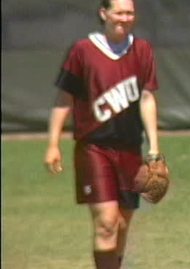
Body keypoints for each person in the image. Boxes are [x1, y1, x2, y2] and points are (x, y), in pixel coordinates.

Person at [43, 0, 162, 268]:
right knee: (106, 222)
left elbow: (146, 97)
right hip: (94, 147)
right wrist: (53, 143)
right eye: (118, 12)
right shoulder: (82, 50)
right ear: (104, 13)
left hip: (131, 147)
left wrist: (154, 147)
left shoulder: (141, 49)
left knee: (121, 223)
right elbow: (64, 99)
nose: (124, 17)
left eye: (129, 12)